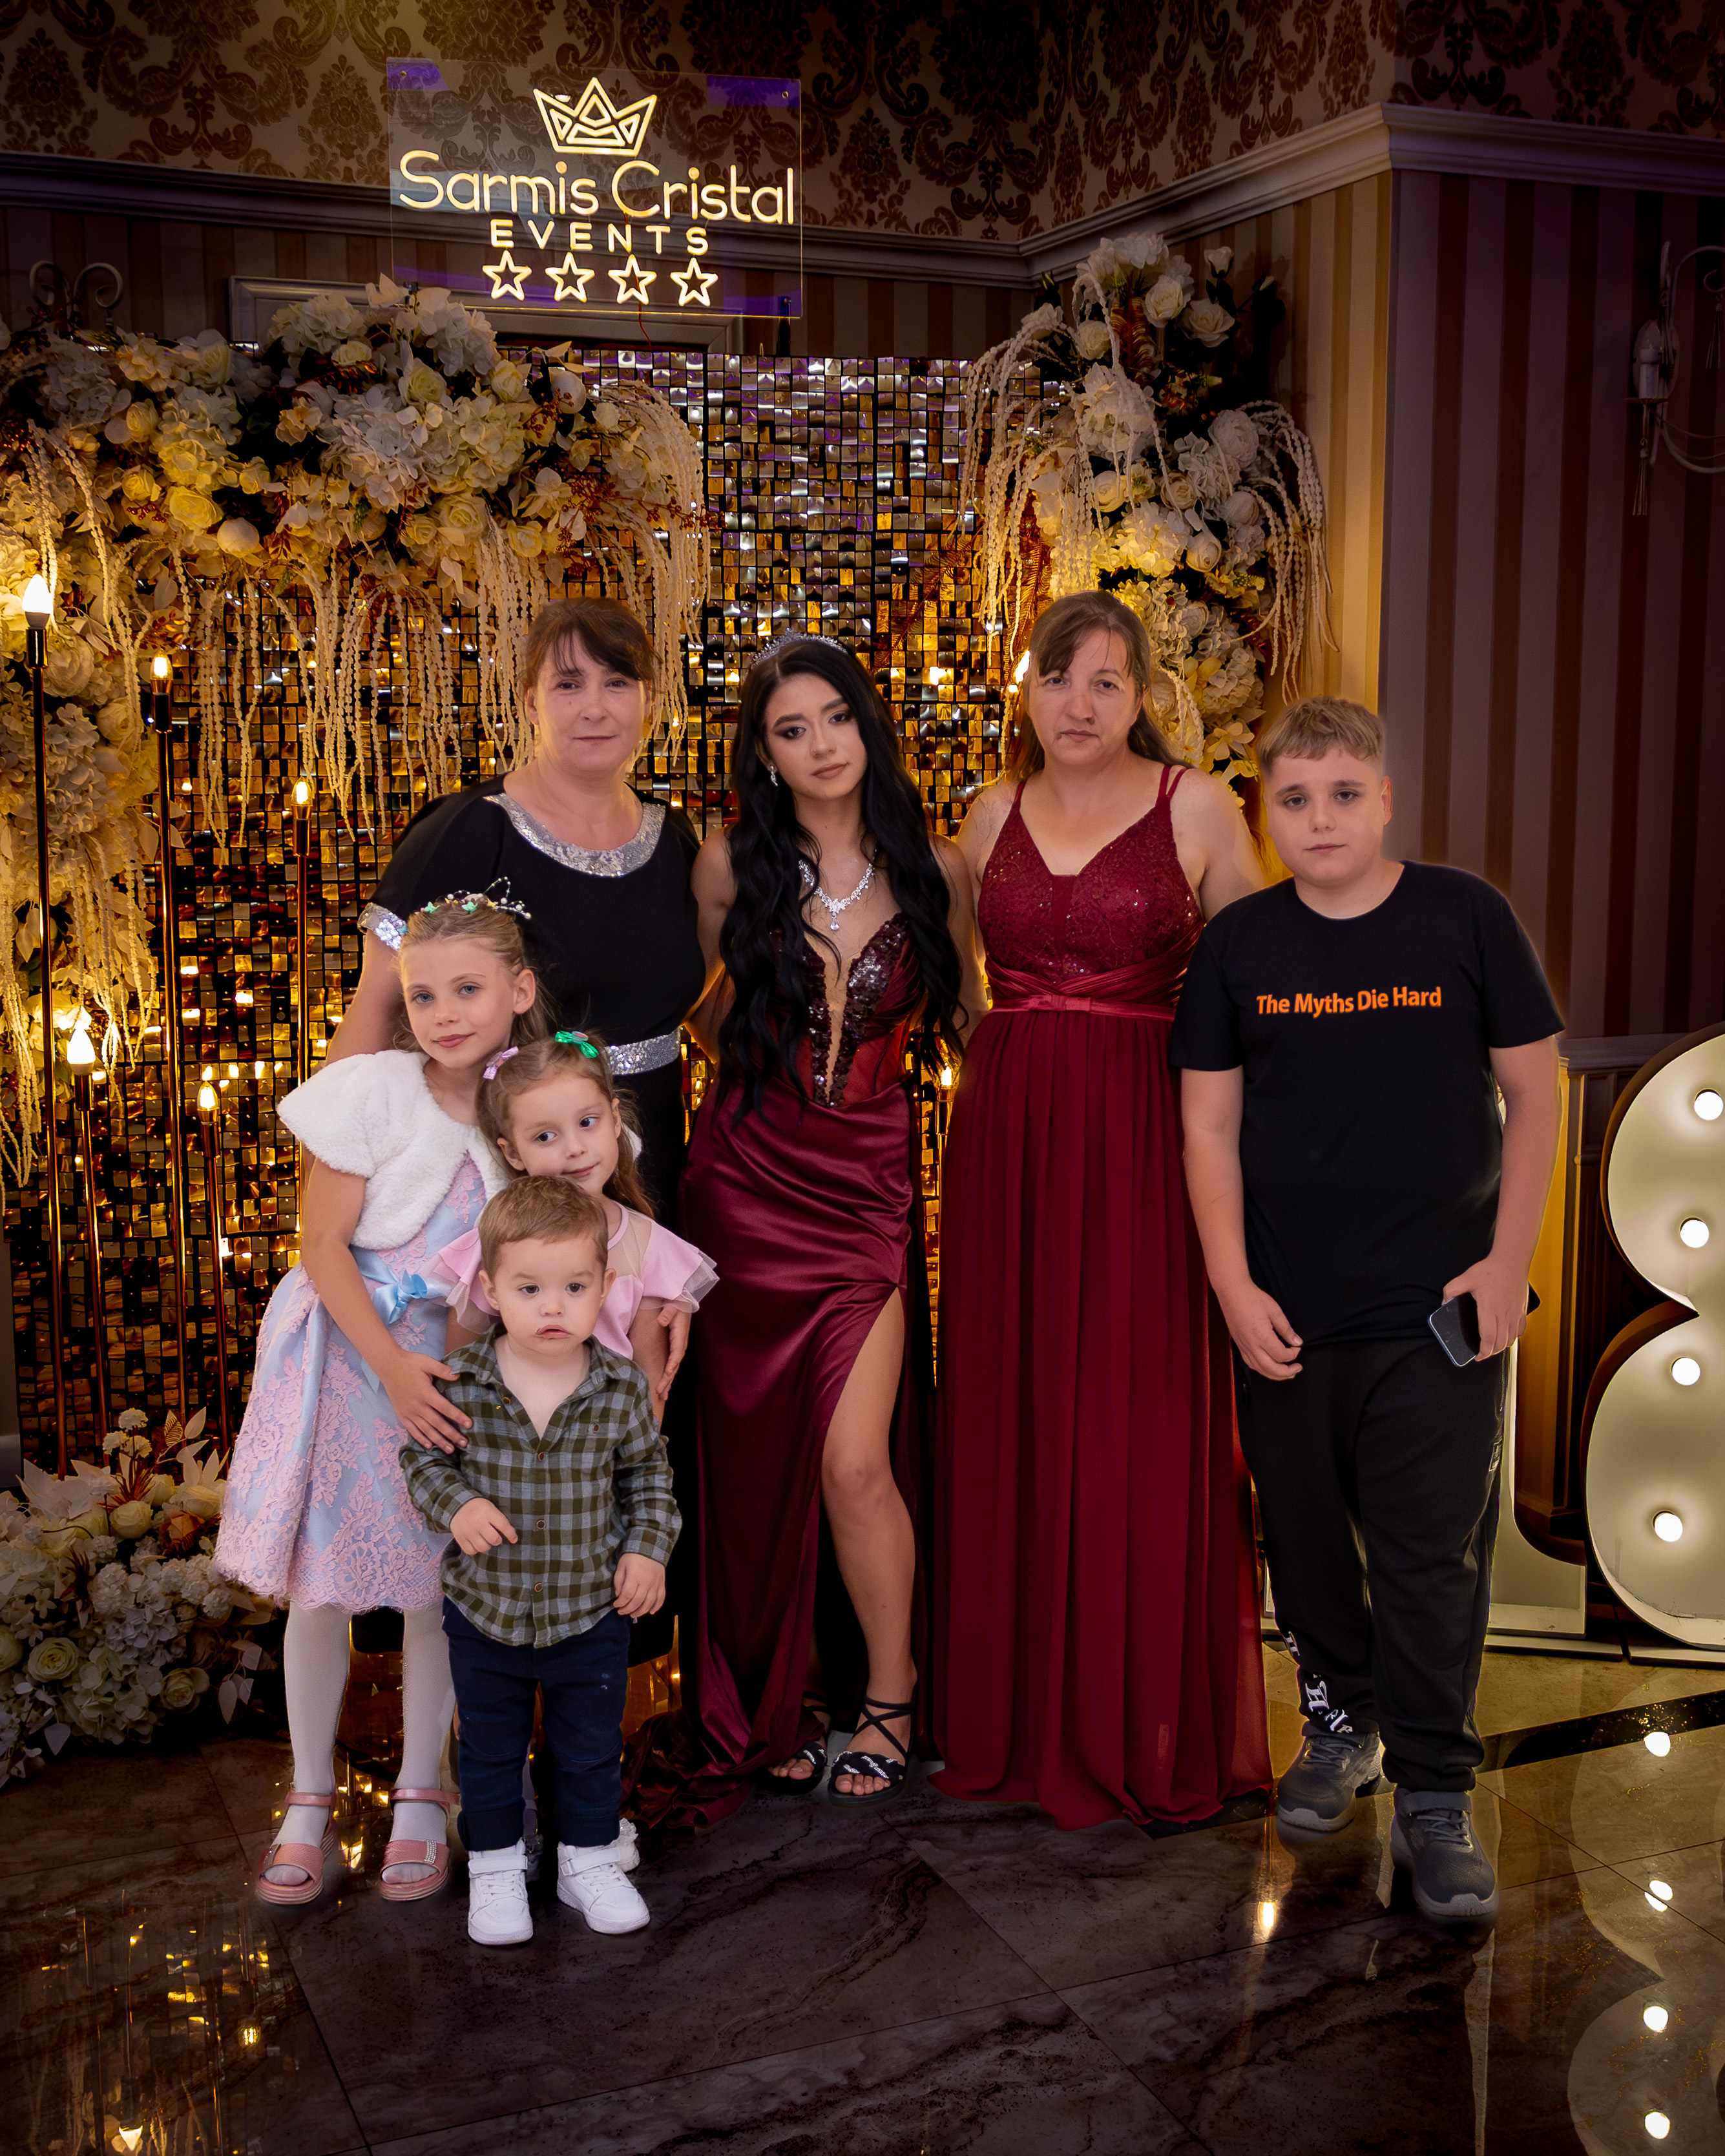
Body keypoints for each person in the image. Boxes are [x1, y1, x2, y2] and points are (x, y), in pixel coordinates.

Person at [1171, 694, 1562, 1925]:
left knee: (1429, 1553)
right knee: (1303, 1542)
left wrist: (1506, 1261)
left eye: (1344, 793)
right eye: (1295, 799)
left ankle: (1437, 1794)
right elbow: (1208, 1125)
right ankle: (1341, 1722)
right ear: (1266, 812)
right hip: (1287, 1308)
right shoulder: (1238, 947)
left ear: (1384, 798)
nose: (1321, 818)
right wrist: (1232, 1285)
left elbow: (1538, 1093)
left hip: (1439, 1310)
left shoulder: (1465, 917)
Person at [623, 630, 984, 1831]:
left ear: (867, 726)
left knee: (854, 1461)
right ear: (765, 754)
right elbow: (708, 1016)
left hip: (866, 1187)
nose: (821, 744)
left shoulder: (936, 863)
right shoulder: (730, 863)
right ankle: (772, 1700)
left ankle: (891, 1695)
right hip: (743, 1180)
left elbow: (973, 1020)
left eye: (837, 718)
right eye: (792, 729)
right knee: (752, 1463)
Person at [933, 588, 1273, 1830]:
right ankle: (1013, 1715)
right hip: (1009, 1133)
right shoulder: (987, 814)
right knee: (1015, 1394)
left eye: (1106, 681)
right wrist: (1011, 1064)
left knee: (1138, 1401)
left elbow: (1261, 980)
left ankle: (1141, 1717)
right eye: (1056, 677)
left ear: (1143, 697)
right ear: (1026, 690)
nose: (1077, 703)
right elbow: (958, 985)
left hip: (1147, 1133)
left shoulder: (1199, 806)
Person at [214, 892, 539, 1905]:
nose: (443, 1013)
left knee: (441, 1577)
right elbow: (320, 1243)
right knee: (320, 1583)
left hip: (457, 1372)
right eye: (422, 994)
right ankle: (309, 1792)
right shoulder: (372, 1091)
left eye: (467, 989)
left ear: (518, 990)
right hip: (354, 1359)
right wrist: (394, 1366)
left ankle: (422, 1790)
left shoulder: (526, 1102)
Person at [333, 597, 706, 1219]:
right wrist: (330, 1203)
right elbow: (374, 1012)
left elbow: (704, 1004)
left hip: (654, 1165)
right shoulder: (470, 831)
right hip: (510, 1174)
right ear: (532, 702)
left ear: (650, 702)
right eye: (568, 684)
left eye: (617, 683)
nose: (594, 707)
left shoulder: (674, 839)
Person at [401, 1176, 680, 1947]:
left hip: (589, 1610)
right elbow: (422, 1460)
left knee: (590, 1747)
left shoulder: (620, 1388)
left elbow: (648, 1477)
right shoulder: (465, 1381)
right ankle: (496, 1866)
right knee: (489, 1749)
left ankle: (587, 1859)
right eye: (530, 1288)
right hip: (485, 1611)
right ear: (492, 1290)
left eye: (574, 1287)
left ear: (605, 1287)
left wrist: (647, 1549)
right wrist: (457, 1504)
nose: (553, 1306)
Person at [430, 1030, 718, 1413]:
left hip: (603, 1443)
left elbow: (650, 1385)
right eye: (545, 1136)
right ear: (513, 1152)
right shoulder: (499, 1239)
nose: (576, 1148)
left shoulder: (648, 1247)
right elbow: (460, 1371)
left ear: (615, 1119)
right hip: (509, 1440)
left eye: (588, 1122)